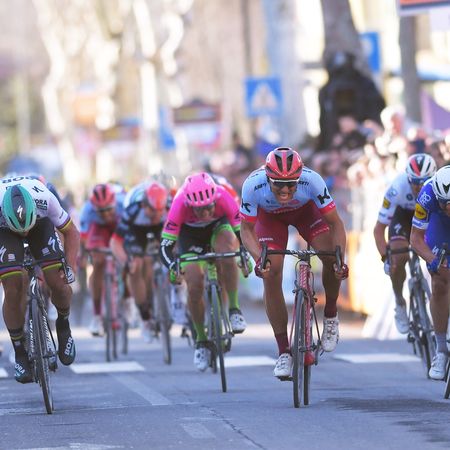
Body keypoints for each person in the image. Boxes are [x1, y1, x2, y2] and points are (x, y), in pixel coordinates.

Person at [239, 147, 348, 379]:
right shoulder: (252, 185)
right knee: (270, 272)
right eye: (278, 184)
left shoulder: (312, 181)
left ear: (300, 177)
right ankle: (283, 352)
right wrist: (259, 259)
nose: (285, 190)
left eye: (291, 184)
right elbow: (246, 229)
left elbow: (336, 223)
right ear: (268, 178)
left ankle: (330, 314)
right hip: (270, 220)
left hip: (305, 214)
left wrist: (340, 259)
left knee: (330, 257)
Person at [160, 172, 247, 371]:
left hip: (219, 227)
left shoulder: (224, 196)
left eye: (209, 207)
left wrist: (245, 256)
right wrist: (173, 266)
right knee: (194, 283)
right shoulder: (179, 203)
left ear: (215, 199)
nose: (205, 213)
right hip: (190, 235)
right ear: (190, 204)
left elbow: (242, 234)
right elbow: (165, 247)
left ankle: (234, 309)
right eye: (199, 210)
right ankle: (201, 340)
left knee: (227, 252)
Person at [0, 175, 79, 383]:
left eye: (26, 228)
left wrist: (70, 267)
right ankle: (20, 352)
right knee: (12, 286)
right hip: (5, 231)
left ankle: (63, 326)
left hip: (41, 225)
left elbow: (72, 232)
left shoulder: (45, 198)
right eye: (21, 230)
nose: (24, 232)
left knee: (58, 282)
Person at [373, 153, 437, 333]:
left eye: (423, 182)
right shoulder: (397, 188)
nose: (418, 187)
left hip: (428, 218)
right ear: (408, 178)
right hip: (403, 217)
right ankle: (400, 302)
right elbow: (378, 230)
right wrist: (386, 257)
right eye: (414, 182)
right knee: (398, 258)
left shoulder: (438, 187)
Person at [110, 181, 169, 342]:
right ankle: (145, 317)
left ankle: (175, 295)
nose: (156, 215)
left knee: (153, 260)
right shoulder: (133, 211)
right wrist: (126, 262)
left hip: (161, 228)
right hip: (136, 231)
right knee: (136, 265)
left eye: (160, 211)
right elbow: (115, 242)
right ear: (144, 205)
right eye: (152, 211)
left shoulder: (169, 209)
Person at [410, 165, 450, 380]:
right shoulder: (427, 194)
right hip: (439, 228)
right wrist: (433, 261)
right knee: (440, 282)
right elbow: (416, 239)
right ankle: (441, 350)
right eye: (446, 204)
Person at [79, 183, 125, 336]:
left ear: (114, 203)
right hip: (98, 230)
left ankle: (128, 298)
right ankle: (97, 315)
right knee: (98, 262)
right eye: (101, 211)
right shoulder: (87, 210)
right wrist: (84, 256)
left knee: (128, 260)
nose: (105, 214)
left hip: (118, 226)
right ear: (94, 208)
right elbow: (84, 239)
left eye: (108, 209)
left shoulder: (123, 204)